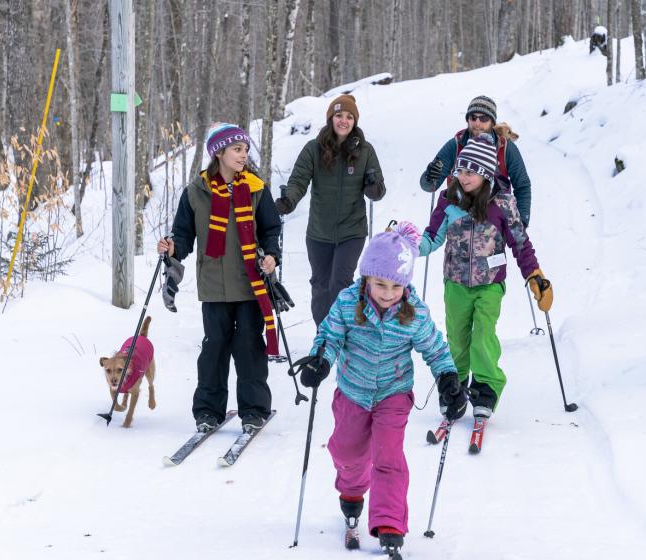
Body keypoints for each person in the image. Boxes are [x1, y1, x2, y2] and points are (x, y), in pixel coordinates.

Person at [292, 222, 465, 555]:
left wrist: (447, 378)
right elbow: (329, 336)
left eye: (396, 286)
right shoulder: (347, 303)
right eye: (380, 284)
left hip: (393, 392)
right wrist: (321, 361)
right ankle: (352, 492)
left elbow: (435, 347)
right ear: (366, 279)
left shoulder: (413, 313)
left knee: (388, 456)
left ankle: (390, 522)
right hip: (352, 390)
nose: (388, 293)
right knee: (347, 453)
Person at [157, 123, 282, 433]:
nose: (244, 155)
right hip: (213, 285)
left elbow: (270, 229)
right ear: (219, 153)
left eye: (245, 150)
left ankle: (253, 409)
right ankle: (208, 411)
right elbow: (184, 235)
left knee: (249, 346)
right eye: (237, 149)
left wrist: (271, 255)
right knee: (214, 348)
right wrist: (173, 246)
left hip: (250, 282)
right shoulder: (196, 192)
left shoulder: (255, 188)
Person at [418, 137, 553, 420]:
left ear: (486, 173)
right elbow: (432, 238)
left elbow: (520, 243)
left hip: (490, 283)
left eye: (470, 172)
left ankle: (486, 387)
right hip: (455, 282)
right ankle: (454, 386)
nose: (463, 177)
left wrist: (534, 275)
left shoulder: (502, 204)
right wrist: (405, 246)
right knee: (456, 338)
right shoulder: (448, 200)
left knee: (482, 335)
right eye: (460, 171)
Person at [275, 94, 386, 327]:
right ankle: (323, 335)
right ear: (330, 119)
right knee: (320, 285)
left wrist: (373, 186)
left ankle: (341, 333)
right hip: (319, 232)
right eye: (338, 116)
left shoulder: (365, 151)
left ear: (354, 121)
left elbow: (378, 190)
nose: (343, 121)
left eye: (349, 117)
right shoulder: (313, 149)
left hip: (352, 230)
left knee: (340, 284)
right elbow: (298, 181)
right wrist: (288, 201)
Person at [418, 95, 534, 226]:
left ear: (492, 122)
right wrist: (430, 176)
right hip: (459, 220)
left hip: (495, 221)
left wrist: (522, 222)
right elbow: (429, 186)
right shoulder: (455, 146)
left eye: (484, 118)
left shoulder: (506, 149)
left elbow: (522, 185)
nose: (477, 123)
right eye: (473, 117)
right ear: (467, 120)